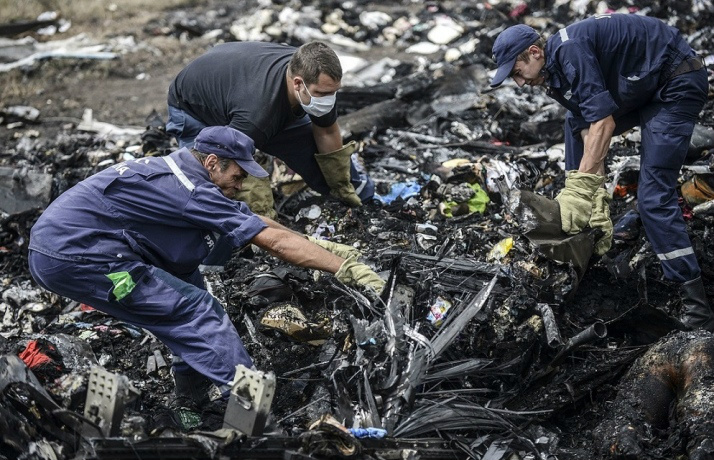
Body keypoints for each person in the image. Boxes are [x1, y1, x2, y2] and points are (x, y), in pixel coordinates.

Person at [27, 126, 385, 417]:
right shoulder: (189, 189)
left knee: (189, 288)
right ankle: (253, 415)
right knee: (197, 310)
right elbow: (270, 242)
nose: (241, 184)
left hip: (79, 246)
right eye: (237, 174)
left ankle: (189, 401)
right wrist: (345, 269)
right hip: (77, 255)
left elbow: (255, 223)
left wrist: (322, 247)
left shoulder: (182, 173)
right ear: (213, 162)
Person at [490, 14, 713, 331]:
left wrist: (580, 189)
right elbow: (587, 129)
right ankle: (589, 215)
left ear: (534, 53)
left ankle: (698, 310)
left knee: (652, 199)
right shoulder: (554, 73)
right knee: (574, 122)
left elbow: (604, 124)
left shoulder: (570, 51)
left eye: (517, 72)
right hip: (641, 85)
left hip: (674, 81)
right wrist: (592, 195)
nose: (520, 83)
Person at [166, 40, 374, 215]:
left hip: (237, 86)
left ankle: (364, 197)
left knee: (318, 160)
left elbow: (327, 132)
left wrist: (341, 183)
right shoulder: (257, 116)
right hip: (195, 107)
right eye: (322, 94)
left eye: (333, 92)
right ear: (298, 84)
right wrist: (264, 221)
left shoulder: (319, 81)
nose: (329, 99)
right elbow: (236, 170)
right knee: (209, 187)